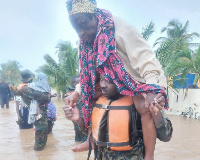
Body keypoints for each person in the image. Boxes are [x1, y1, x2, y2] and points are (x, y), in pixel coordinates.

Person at [65, 1, 169, 159]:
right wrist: (77, 93)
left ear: (94, 16)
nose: (81, 33)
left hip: (132, 79)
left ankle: (149, 155)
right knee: (88, 95)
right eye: (76, 29)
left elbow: (148, 62)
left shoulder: (122, 30)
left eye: (83, 25)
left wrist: (152, 91)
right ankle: (91, 139)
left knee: (144, 106)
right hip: (105, 78)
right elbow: (87, 75)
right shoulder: (85, 40)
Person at [65, 74, 173, 160]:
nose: (103, 85)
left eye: (108, 80)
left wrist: (155, 112)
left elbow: (166, 136)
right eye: (102, 80)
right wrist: (78, 120)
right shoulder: (99, 101)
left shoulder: (139, 103)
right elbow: (93, 135)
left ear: (120, 80)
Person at [17, 71, 51, 151]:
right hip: (37, 112)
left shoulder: (27, 87)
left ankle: (42, 152)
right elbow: (44, 98)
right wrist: (48, 96)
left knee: (43, 131)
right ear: (30, 79)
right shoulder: (25, 88)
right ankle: (39, 152)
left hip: (39, 110)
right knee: (40, 132)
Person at [65, 75, 88, 144]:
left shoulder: (84, 91)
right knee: (78, 132)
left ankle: (82, 145)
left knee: (84, 134)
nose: (79, 84)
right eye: (77, 83)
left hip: (84, 118)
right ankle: (78, 143)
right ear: (73, 84)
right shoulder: (70, 94)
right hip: (77, 118)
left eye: (80, 82)